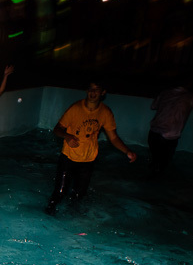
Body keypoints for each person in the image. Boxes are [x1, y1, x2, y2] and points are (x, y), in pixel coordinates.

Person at [44, 81, 137, 215]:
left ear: (103, 92)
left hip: (88, 160)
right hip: (68, 157)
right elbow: (57, 129)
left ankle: (71, 218)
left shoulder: (105, 112)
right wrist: (67, 136)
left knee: (79, 194)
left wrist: (127, 151)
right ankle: (48, 214)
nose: (93, 93)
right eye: (90, 89)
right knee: (60, 192)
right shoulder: (75, 108)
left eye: (96, 89)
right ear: (87, 91)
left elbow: (113, 138)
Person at [148, 83, 193, 177]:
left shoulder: (165, 92)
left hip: (153, 132)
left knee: (154, 161)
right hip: (168, 136)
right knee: (162, 165)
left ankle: (152, 177)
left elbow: (153, 106)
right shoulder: (191, 97)